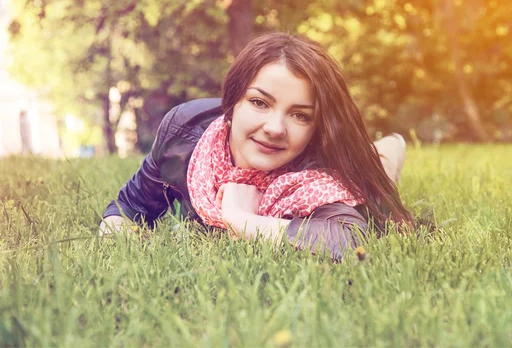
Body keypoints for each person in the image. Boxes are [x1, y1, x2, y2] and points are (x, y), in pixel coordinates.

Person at [100, 32, 413, 260]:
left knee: (378, 172)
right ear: (233, 101)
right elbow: (128, 208)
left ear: (316, 127)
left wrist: (240, 218)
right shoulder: (184, 131)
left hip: (355, 168)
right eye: (259, 102)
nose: (275, 128)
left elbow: (348, 240)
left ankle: (388, 150)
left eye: (300, 115)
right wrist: (116, 234)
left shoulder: (321, 171)